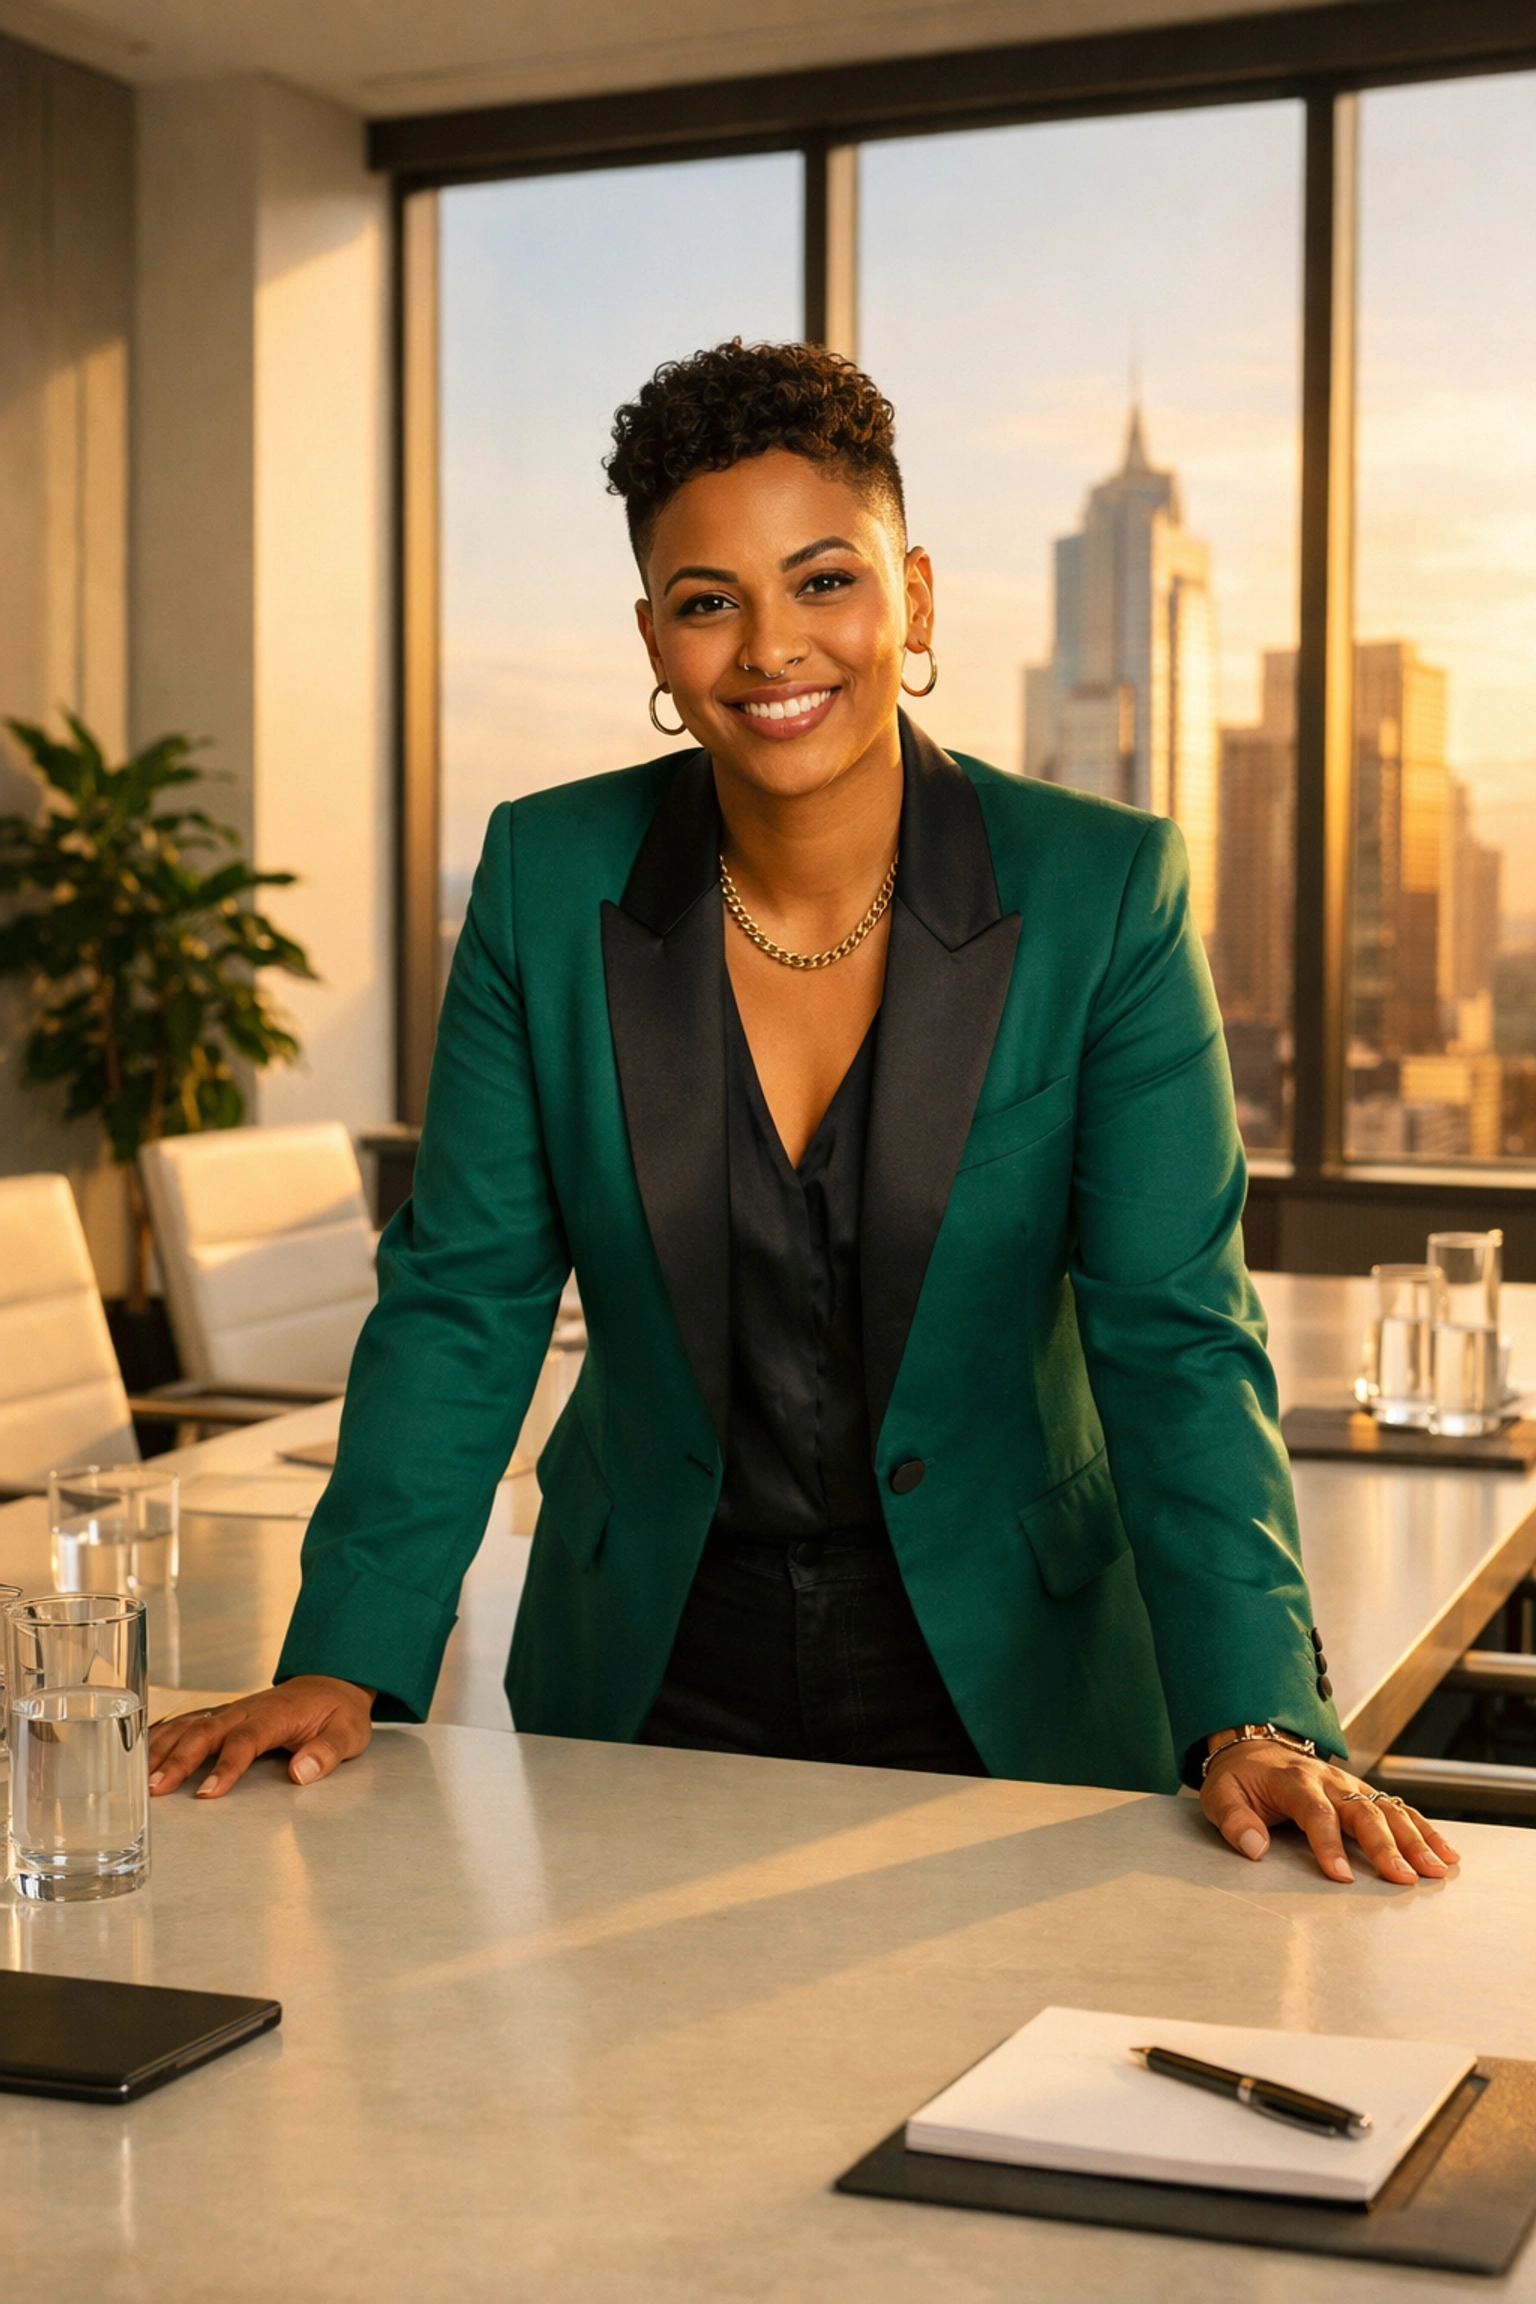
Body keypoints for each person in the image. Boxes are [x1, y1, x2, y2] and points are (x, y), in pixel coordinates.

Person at [149, 339, 1457, 1891]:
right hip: (644, 1676)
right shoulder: (546, 883)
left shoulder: (1106, 893)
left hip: (1014, 1673)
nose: (773, 650)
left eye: (822, 581)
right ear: (656, 636)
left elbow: (1176, 1336)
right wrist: (349, 1653)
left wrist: (1261, 1708)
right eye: (711, 602)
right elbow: (464, 1299)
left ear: (911, 594)